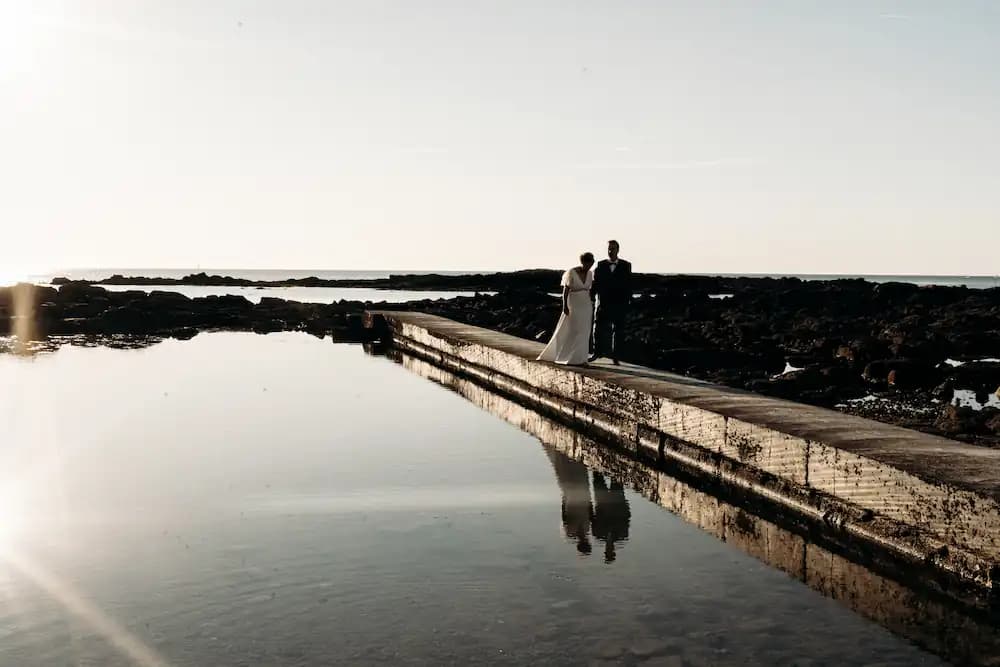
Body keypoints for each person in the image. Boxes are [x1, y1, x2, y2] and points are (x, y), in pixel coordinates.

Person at [537, 252, 596, 366]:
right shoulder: (572, 272)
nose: (590, 266)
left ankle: (582, 359)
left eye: (592, 263)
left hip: (586, 305)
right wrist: (565, 306)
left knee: (585, 331)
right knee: (574, 330)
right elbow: (566, 290)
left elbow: (590, 289)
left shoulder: (590, 274)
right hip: (573, 303)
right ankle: (569, 356)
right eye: (589, 263)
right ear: (583, 262)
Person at [590, 240, 632, 365]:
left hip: (619, 303)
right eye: (609, 249)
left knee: (619, 331)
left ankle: (616, 356)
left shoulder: (626, 265)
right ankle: (597, 353)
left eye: (613, 249)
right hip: (603, 302)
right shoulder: (601, 265)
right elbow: (596, 283)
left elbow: (628, 284)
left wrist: (628, 301)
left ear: (618, 250)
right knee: (598, 329)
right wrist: (592, 297)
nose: (610, 251)